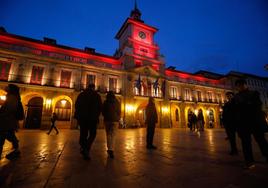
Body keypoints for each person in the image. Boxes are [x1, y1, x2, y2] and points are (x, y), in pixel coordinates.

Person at [234, 79, 268, 169]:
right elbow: (236, 110)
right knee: (245, 143)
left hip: (255, 121)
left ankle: (267, 155)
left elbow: (257, 105)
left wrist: (243, 106)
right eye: (238, 86)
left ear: (245, 85)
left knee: (261, 140)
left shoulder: (254, 93)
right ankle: (249, 161)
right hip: (243, 123)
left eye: (241, 85)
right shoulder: (236, 97)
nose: (240, 87)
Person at [74, 84, 102, 160]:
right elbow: (100, 107)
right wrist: (96, 115)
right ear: (93, 88)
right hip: (92, 119)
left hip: (82, 118)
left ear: (87, 87)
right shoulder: (97, 95)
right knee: (93, 134)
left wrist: (78, 116)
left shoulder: (81, 95)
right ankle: (86, 148)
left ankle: (84, 147)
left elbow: (76, 105)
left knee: (83, 133)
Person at [0, 84, 23, 160]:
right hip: (7, 122)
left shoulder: (12, 98)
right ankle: (16, 150)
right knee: (8, 136)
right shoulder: (11, 97)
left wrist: (2, 113)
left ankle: (16, 150)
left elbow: (9, 109)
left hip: (7, 122)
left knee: (7, 136)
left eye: (8, 86)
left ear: (11, 89)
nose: (6, 87)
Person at [102, 91, 121, 158]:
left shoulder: (105, 102)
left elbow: (103, 111)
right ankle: (111, 149)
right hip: (115, 120)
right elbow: (119, 111)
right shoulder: (117, 102)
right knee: (113, 135)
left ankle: (109, 148)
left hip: (107, 120)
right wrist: (118, 118)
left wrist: (105, 116)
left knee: (108, 134)